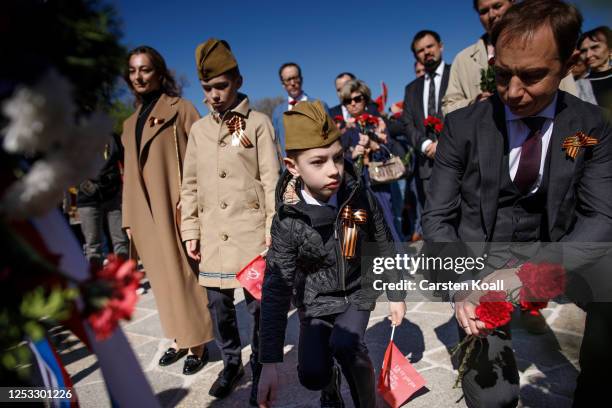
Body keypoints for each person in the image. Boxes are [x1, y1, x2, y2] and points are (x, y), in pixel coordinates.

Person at [422, 1, 612, 406]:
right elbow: (437, 218)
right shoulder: (462, 127)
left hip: (557, 250)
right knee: (494, 399)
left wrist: (531, 274)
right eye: (502, 74)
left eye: (531, 77)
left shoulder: (589, 126)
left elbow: (602, 216)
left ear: (568, 63)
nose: (512, 92)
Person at [256, 101, 407, 408]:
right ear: (292, 167)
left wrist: (395, 291)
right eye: (318, 161)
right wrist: (269, 362)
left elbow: (382, 240)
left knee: (347, 344)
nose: (333, 170)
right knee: (312, 373)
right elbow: (276, 287)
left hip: (357, 288)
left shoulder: (357, 192)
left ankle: (366, 403)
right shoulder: (287, 220)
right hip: (315, 300)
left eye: (337, 157)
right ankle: (330, 387)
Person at [181, 38, 280, 405]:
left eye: (221, 86)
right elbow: (188, 185)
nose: (214, 95)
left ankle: (258, 363)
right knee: (219, 307)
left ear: (237, 80)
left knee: (256, 307)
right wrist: (190, 229)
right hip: (211, 238)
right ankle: (230, 362)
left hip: (250, 235)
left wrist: (273, 231)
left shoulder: (256, 124)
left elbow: (272, 181)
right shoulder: (199, 131)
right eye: (207, 88)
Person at [120, 46, 213, 375]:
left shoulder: (181, 108)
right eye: (132, 71)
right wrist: (129, 218)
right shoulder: (129, 123)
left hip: (176, 206)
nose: (138, 76)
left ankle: (198, 340)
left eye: (145, 69)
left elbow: (205, 155)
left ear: (159, 73)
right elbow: (129, 173)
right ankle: (179, 337)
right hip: (144, 214)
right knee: (161, 279)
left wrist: (195, 202)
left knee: (185, 274)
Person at [441, 0, 578, 115]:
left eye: (497, 6)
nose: (491, 15)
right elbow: (448, 106)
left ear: (512, 3)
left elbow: (570, 100)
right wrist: (475, 103)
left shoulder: (547, 43)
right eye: (483, 11)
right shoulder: (463, 59)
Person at [400, 30, 451, 245]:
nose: (426, 53)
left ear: (440, 46)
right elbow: (407, 123)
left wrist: (446, 143)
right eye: (420, 51)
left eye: (429, 46)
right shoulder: (412, 89)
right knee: (434, 222)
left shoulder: (456, 74)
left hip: (459, 160)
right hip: (427, 168)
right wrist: (426, 144)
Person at [339, 79, 403, 242]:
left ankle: (397, 263)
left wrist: (374, 145)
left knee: (386, 223)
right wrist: (352, 155)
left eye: (357, 99)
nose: (353, 104)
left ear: (365, 100)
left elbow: (391, 151)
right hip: (353, 186)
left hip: (378, 182)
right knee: (356, 230)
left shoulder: (378, 124)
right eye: (348, 101)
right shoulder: (343, 130)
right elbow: (338, 157)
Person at [76, 133, 128, 268]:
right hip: (88, 199)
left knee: (121, 240)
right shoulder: (76, 138)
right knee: (93, 245)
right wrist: (83, 184)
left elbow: (125, 162)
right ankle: (98, 282)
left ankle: (127, 278)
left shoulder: (112, 138)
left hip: (113, 195)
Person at [272, 63, 328, 153]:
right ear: (283, 84)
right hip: (288, 165)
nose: (293, 83)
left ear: (301, 79)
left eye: (295, 78)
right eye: (288, 80)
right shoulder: (277, 112)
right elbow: (276, 143)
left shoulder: (320, 106)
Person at [579, 26, 612, 109]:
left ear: (610, 49)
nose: (588, 55)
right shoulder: (579, 86)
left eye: (595, 47)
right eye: (584, 51)